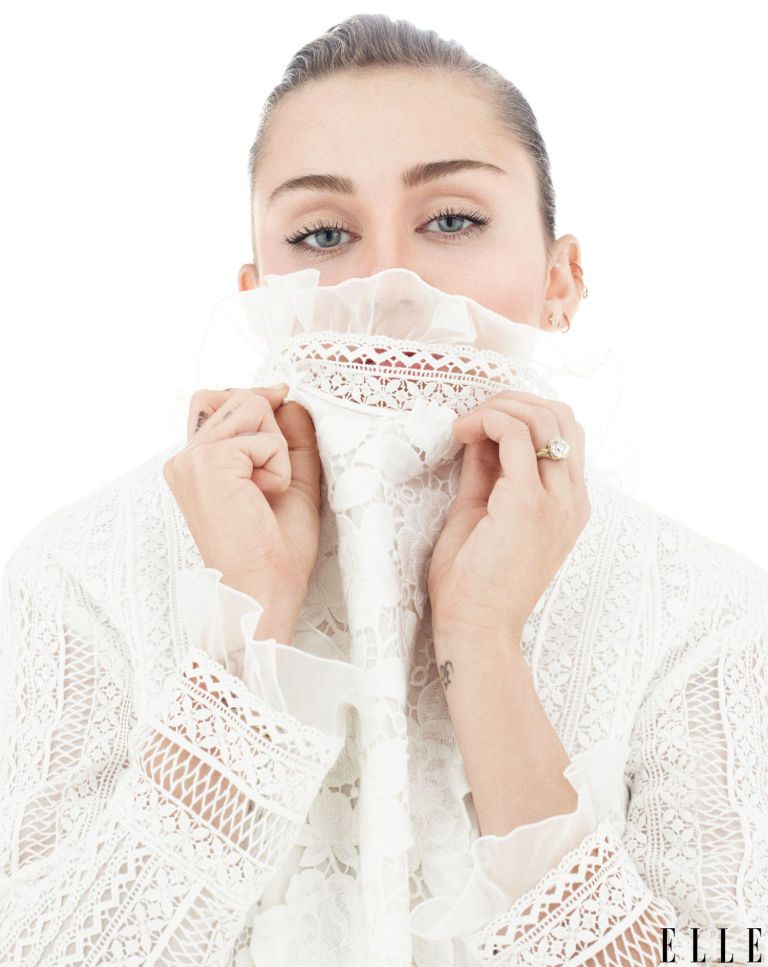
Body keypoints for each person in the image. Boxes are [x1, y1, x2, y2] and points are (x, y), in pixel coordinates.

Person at [1, 13, 766, 967]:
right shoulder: (80, 572)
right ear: (257, 294)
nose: (390, 281)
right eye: (324, 233)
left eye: (453, 220)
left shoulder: (705, 611)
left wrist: (483, 648)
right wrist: (244, 636)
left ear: (561, 280)